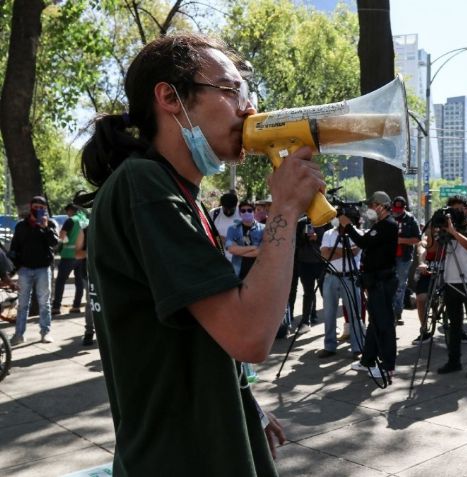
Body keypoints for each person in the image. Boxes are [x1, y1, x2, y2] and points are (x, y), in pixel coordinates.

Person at [80, 34, 324, 474]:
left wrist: (243, 401)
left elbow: (202, 333)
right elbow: (250, 336)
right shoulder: (144, 185)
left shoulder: (176, 192)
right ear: (169, 97)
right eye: (232, 91)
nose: (248, 109)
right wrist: (285, 206)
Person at [342, 191, 399, 378]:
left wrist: (348, 227)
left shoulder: (387, 225)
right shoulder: (380, 225)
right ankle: (367, 360)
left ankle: (388, 366)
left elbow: (364, 242)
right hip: (376, 281)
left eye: (372, 205)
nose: (369, 209)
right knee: (376, 323)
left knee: (384, 324)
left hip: (382, 282)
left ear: (381, 206)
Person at [436, 195, 467, 379]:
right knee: (454, 325)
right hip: (451, 280)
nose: (456, 213)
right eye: (452, 210)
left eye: (459, 209)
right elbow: (436, 249)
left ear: (466, 209)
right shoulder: (446, 228)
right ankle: (454, 360)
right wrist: (439, 230)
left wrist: (454, 232)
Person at [9, 196, 59, 345]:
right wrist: (12, 269)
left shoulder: (50, 223)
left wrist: (45, 228)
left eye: (41, 208)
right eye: (36, 207)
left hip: (43, 269)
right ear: (31, 207)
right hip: (25, 270)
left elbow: (55, 243)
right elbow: (14, 248)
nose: (38, 210)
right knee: (23, 304)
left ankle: (45, 332)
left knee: (44, 303)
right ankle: (19, 334)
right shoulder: (21, 225)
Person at [318, 215, 365, 358]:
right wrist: (347, 251)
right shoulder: (328, 233)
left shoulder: (358, 234)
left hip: (350, 277)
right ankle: (329, 346)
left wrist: (334, 250)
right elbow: (325, 254)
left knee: (355, 314)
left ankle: (358, 347)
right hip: (331, 276)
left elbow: (355, 251)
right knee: (329, 313)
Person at [52, 204, 89, 315]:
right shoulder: (86, 220)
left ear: (70, 211)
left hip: (68, 255)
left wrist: (63, 243)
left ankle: (56, 307)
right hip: (82, 256)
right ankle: (76, 306)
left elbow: (62, 236)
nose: (67, 214)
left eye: (67, 212)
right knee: (79, 282)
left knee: (60, 282)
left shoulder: (71, 220)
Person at [391, 195, 420, 326]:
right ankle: (390, 312)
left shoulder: (411, 219)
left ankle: (398, 313)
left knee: (400, 285)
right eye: (395, 208)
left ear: (404, 208)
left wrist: (401, 240)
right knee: (388, 284)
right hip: (388, 257)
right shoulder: (388, 217)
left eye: (399, 209)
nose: (397, 211)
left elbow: (417, 239)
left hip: (404, 258)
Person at [294, 217, 327, 325]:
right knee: (308, 293)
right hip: (305, 264)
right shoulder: (300, 223)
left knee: (325, 293)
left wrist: (317, 239)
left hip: (321, 263)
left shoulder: (324, 221)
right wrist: (303, 236)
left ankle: (330, 321)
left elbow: (329, 243)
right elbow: (296, 243)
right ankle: (306, 320)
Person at [225, 200, 265, 280]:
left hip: (257, 271)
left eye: (249, 210)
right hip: (238, 271)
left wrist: (238, 250)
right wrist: (253, 247)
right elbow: (231, 249)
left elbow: (259, 252)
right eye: (243, 211)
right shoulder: (232, 229)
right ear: (240, 213)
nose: (246, 213)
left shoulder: (263, 228)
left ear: (254, 211)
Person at [211, 191, 238, 260]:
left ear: (236, 206)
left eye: (231, 209)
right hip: (217, 260)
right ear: (222, 206)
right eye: (226, 209)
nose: (228, 212)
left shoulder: (243, 214)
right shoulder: (214, 214)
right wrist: (217, 238)